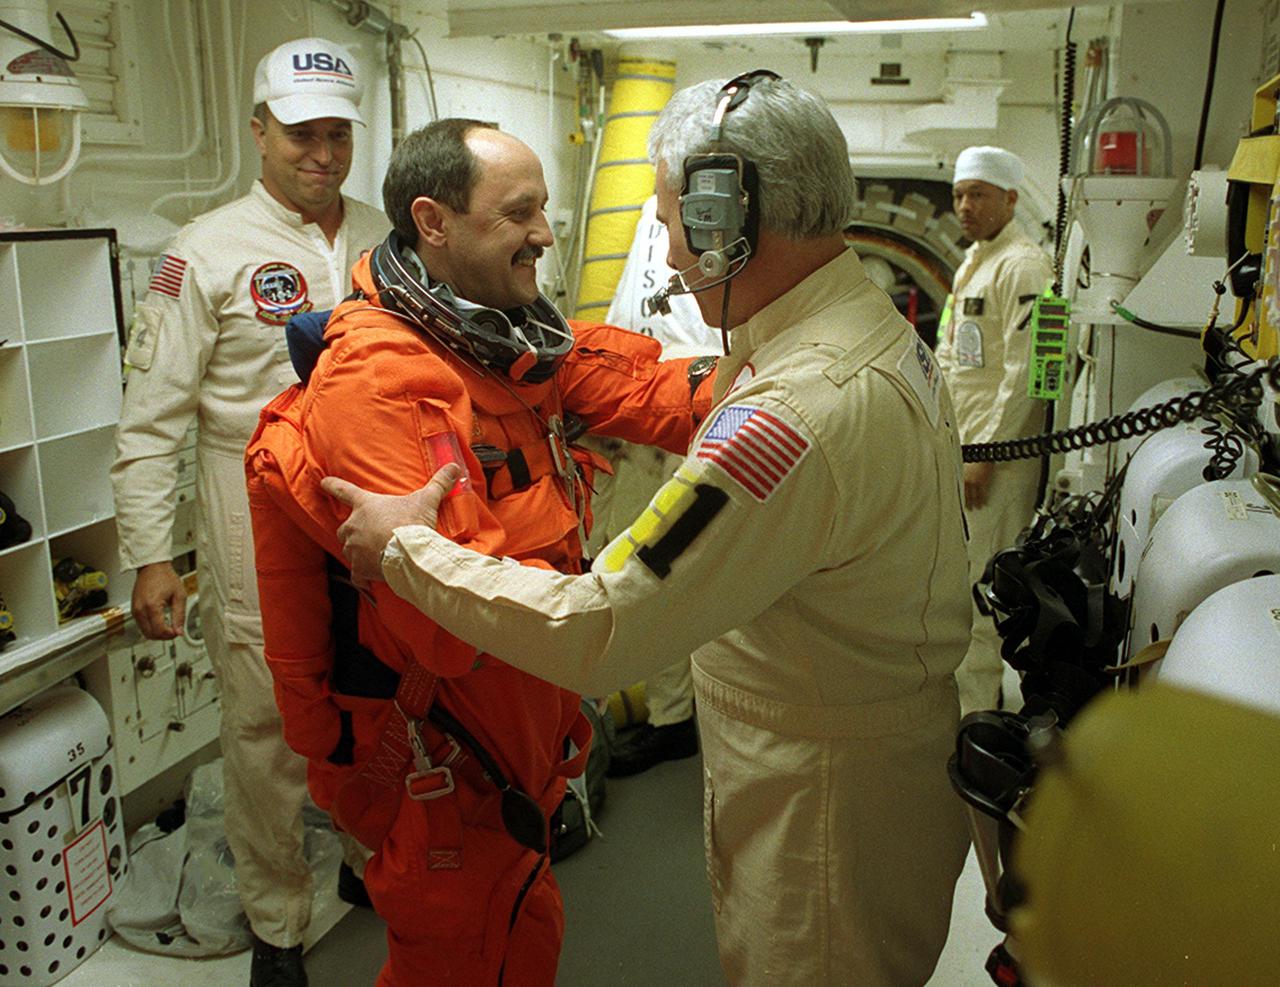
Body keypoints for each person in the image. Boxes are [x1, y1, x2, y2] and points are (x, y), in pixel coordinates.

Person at [324, 73, 973, 986]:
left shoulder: (793, 414)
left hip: (823, 806)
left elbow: (602, 628)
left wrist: (404, 549)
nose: (668, 260)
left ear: (726, 219)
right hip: (868, 760)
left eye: (670, 226)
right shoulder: (872, 330)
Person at [244, 118, 717, 986]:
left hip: (515, 743)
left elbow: (650, 389)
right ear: (435, 222)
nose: (545, 233)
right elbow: (450, 630)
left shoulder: (499, 340)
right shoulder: (382, 378)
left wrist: (790, 372)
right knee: (462, 962)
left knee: (517, 942)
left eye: (544, 210)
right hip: (443, 766)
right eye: (520, 212)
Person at [110, 37, 388, 987]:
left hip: (369, 495)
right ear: (259, 130)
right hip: (250, 494)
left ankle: (365, 864)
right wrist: (153, 553)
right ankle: (276, 925)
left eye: (338, 133)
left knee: (374, 690)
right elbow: (152, 420)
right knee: (267, 720)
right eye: (302, 132)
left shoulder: (384, 239)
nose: (323, 152)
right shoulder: (204, 253)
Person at [589, 195, 720, 777]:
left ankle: (678, 720)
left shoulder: (731, 210)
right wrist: (607, 404)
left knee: (681, 569)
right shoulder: (650, 210)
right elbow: (630, 309)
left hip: (697, 399)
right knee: (629, 560)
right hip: (640, 397)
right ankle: (663, 713)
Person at [935, 146, 1055, 715]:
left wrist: (985, 454)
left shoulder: (1025, 266)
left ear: (1010, 198)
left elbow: (1033, 373)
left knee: (979, 589)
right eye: (959, 195)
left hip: (995, 457)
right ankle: (968, 706)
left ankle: (978, 717)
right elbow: (955, 354)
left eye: (978, 194)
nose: (964, 206)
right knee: (959, 580)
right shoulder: (972, 263)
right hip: (964, 446)